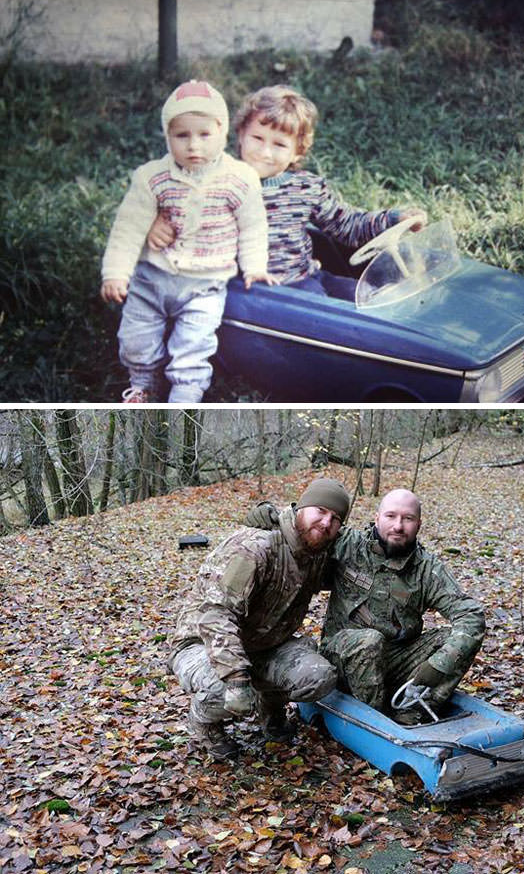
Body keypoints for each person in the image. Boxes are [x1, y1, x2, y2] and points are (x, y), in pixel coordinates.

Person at [147, 84, 427, 302]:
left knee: (368, 294)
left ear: (297, 151)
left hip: (306, 276)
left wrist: (392, 218)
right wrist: (159, 221)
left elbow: (347, 225)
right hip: (258, 291)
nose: (264, 152)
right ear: (241, 135)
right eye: (257, 138)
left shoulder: (306, 188)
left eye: (279, 144)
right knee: (334, 317)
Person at [245, 488, 485, 725]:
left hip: (395, 658)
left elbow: (471, 615)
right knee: (369, 640)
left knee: (454, 640)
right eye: (391, 516)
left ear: (418, 524)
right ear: (377, 518)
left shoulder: (427, 569)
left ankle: (411, 711)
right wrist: (272, 516)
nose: (398, 526)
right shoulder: (348, 544)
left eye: (408, 518)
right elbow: (308, 528)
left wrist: (439, 664)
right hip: (341, 656)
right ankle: (375, 721)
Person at [100, 79, 274, 404]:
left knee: (194, 346)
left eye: (204, 134)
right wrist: (115, 273)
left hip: (205, 285)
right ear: (168, 136)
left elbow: (252, 226)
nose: (194, 146)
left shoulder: (239, 179)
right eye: (182, 135)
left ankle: (185, 397)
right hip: (152, 278)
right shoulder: (152, 177)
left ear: (222, 132)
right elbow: (129, 226)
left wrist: (254, 266)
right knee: (136, 340)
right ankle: (143, 385)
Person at [168, 478, 350, 759]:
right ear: (301, 507)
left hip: (265, 643)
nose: (326, 522)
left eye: (335, 518)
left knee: (319, 677)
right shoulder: (256, 546)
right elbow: (215, 615)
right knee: (231, 692)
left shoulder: (318, 551)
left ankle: (270, 709)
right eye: (320, 511)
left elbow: (370, 549)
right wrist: (236, 677)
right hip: (202, 644)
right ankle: (202, 721)